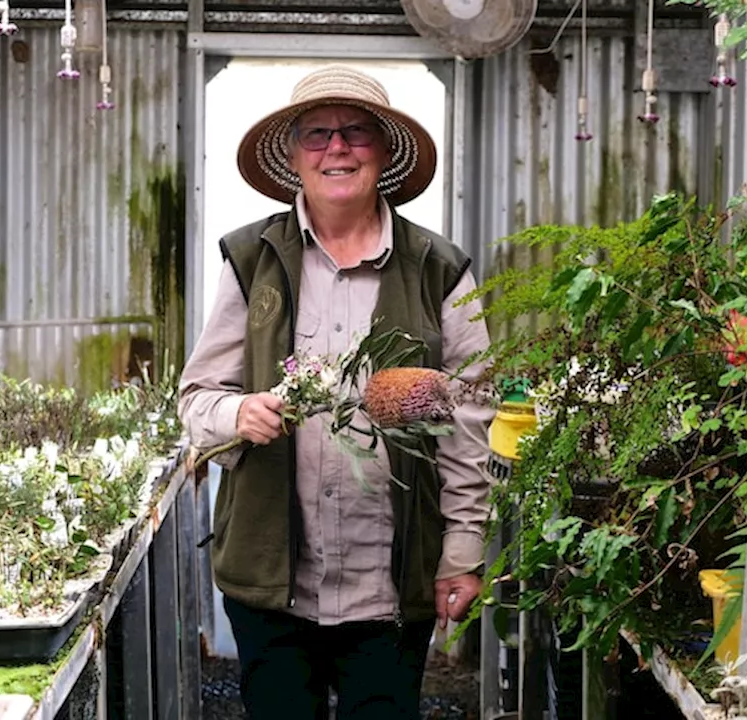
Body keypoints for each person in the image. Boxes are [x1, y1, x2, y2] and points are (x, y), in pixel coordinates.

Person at [178, 64, 495, 720]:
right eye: (317, 135)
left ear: (383, 152)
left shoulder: (440, 270)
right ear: (293, 157)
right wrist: (239, 412)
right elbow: (197, 397)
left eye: (356, 133)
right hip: (273, 585)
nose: (338, 148)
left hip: (389, 585)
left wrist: (462, 554)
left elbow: (470, 419)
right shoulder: (251, 259)